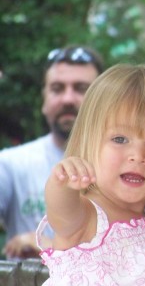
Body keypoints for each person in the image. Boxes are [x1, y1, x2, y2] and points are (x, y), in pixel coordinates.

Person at [36, 63, 145, 286]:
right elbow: (60, 211)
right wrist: (62, 181)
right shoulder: (87, 216)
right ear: (88, 142)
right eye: (120, 139)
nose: (138, 155)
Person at [0, 45, 104, 259]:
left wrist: (49, 246)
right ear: (44, 100)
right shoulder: (11, 164)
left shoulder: (129, 167)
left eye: (81, 88)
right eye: (57, 88)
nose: (67, 99)